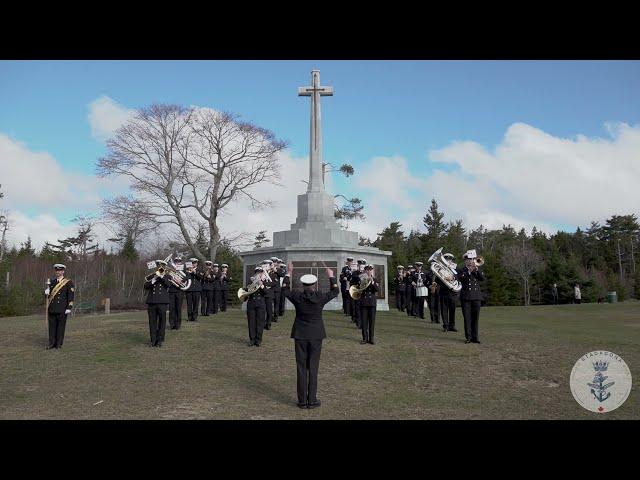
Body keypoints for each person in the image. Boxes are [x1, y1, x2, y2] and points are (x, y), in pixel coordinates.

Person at [282, 261, 339, 409]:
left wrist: (289, 273)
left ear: (303, 285)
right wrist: (331, 276)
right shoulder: (320, 297)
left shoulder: (297, 297)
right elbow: (335, 292)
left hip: (300, 334)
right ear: (314, 285)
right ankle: (312, 400)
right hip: (316, 335)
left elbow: (284, 290)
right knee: (313, 368)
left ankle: (302, 401)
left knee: (301, 368)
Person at [44, 263, 75, 349]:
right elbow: (48, 297)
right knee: (52, 327)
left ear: (63, 271)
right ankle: (51, 343)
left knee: (60, 327)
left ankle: (58, 344)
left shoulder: (68, 282)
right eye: (56, 270)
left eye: (60, 270)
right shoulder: (52, 282)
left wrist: (69, 307)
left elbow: (71, 295)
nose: (58, 272)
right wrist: (46, 293)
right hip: (52, 308)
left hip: (62, 309)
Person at [458, 249, 485, 344]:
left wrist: (476, 270)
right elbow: (461, 279)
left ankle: (475, 337)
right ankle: (468, 337)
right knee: (467, 318)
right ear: (465, 260)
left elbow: (482, 279)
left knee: (475, 318)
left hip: (476, 297)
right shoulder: (461, 270)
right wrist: (469, 272)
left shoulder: (477, 269)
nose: (470, 261)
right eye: (468, 259)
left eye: (472, 259)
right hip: (466, 298)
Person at [144, 260, 171, 347]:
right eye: (158, 266)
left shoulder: (167, 276)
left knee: (162, 322)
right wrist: (154, 279)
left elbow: (168, 284)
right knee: (152, 322)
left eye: (161, 267)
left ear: (164, 267)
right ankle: (153, 340)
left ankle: (160, 340)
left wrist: (162, 277)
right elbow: (145, 286)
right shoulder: (152, 276)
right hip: (152, 302)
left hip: (162, 302)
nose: (159, 268)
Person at [243, 266, 268, 346]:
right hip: (251, 303)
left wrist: (262, 285)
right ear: (255, 273)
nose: (259, 274)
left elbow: (266, 293)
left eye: (260, 273)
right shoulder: (250, 282)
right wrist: (253, 284)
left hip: (260, 303)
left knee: (260, 322)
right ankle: (252, 339)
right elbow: (246, 292)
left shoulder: (265, 281)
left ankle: (258, 340)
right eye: (257, 273)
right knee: (251, 322)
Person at [359, 264, 380, 345]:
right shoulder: (362, 279)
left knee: (372, 322)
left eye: (370, 269)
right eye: (367, 269)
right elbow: (360, 288)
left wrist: (372, 281)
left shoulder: (375, 279)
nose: (368, 271)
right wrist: (365, 280)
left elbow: (376, 289)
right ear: (365, 270)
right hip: (364, 302)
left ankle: (371, 339)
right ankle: (364, 338)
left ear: (372, 270)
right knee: (364, 322)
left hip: (372, 303)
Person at [437, 253, 458, 333]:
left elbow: (458, 277)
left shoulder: (455, 269)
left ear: (451, 260)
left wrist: (452, 277)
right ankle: (445, 326)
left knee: (452, 310)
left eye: (450, 259)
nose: (448, 261)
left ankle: (452, 326)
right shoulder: (440, 269)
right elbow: (437, 280)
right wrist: (442, 277)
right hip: (443, 292)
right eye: (446, 259)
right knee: (444, 310)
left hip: (453, 292)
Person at [168, 255, 185, 329]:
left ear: (181, 263)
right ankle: (172, 324)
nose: (177, 263)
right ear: (174, 262)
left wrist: (182, 280)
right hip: (171, 291)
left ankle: (178, 324)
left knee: (178, 308)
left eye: (179, 262)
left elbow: (188, 277)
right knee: (171, 308)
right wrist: (172, 278)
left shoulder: (183, 271)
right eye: (176, 262)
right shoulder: (170, 270)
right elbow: (167, 277)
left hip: (179, 292)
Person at [349, 259, 366, 328]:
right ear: (358, 265)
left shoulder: (366, 273)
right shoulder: (355, 273)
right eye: (360, 265)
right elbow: (352, 281)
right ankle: (358, 322)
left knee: (363, 309)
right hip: (357, 292)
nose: (361, 266)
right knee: (357, 308)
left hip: (364, 293)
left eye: (362, 265)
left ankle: (362, 322)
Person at [269, 257, 284, 322]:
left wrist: (276, 270)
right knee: (269, 304)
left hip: (277, 290)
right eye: (274, 262)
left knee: (276, 304)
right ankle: (270, 316)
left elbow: (282, 274)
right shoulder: (268, 269)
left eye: (276, 262)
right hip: (270, 289)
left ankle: (275, 317)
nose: (275, 263)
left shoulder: (279, 269)